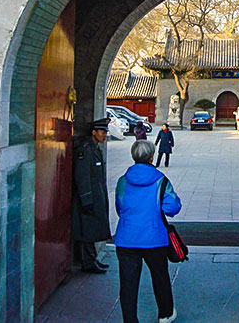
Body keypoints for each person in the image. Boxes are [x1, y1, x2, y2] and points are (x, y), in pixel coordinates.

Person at [115, 140, 181, 323]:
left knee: (128, 283)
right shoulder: (161, 180)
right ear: (152, 157)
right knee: (160, 277)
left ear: (133, 156)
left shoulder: (123, 181)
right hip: (154, 238)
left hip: (126, 239)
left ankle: (130, 320)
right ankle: (165, 314)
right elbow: (172, 208)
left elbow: (120, 207)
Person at [72, 117, 111, 274]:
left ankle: (92, 258)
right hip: (87, 197)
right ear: (94, 132)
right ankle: (87, 262)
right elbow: (82, 177)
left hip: (96, 195)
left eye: (105, 132)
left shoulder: (95, 148)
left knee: (93, 229)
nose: (104, 135)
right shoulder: (85, 149)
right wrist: (86, 199)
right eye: (102, 132)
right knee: (86, 230)